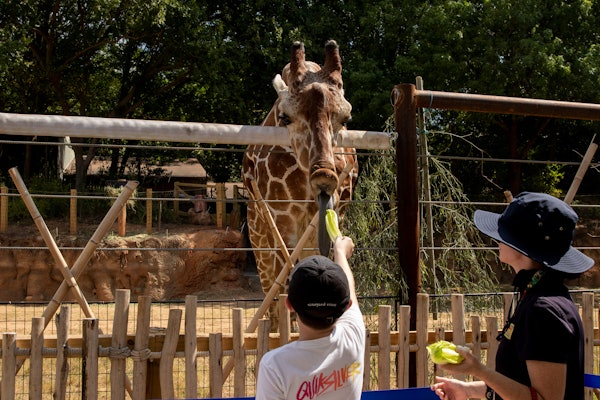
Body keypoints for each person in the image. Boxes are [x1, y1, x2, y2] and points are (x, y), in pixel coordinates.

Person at [431, 191, 594, 400]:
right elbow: (524, 384)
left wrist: (479, 370)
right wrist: (469, 390)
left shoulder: (543, 310)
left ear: (522, 247)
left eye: (504, 234)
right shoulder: (541, 295)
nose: (497, 239)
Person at [256, 236, 365, 400]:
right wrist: (340, 252)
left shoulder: (274, 366)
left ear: (289, 305)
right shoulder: (353, 337)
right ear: (347, 306)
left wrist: (340, 252)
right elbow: (350, 290)